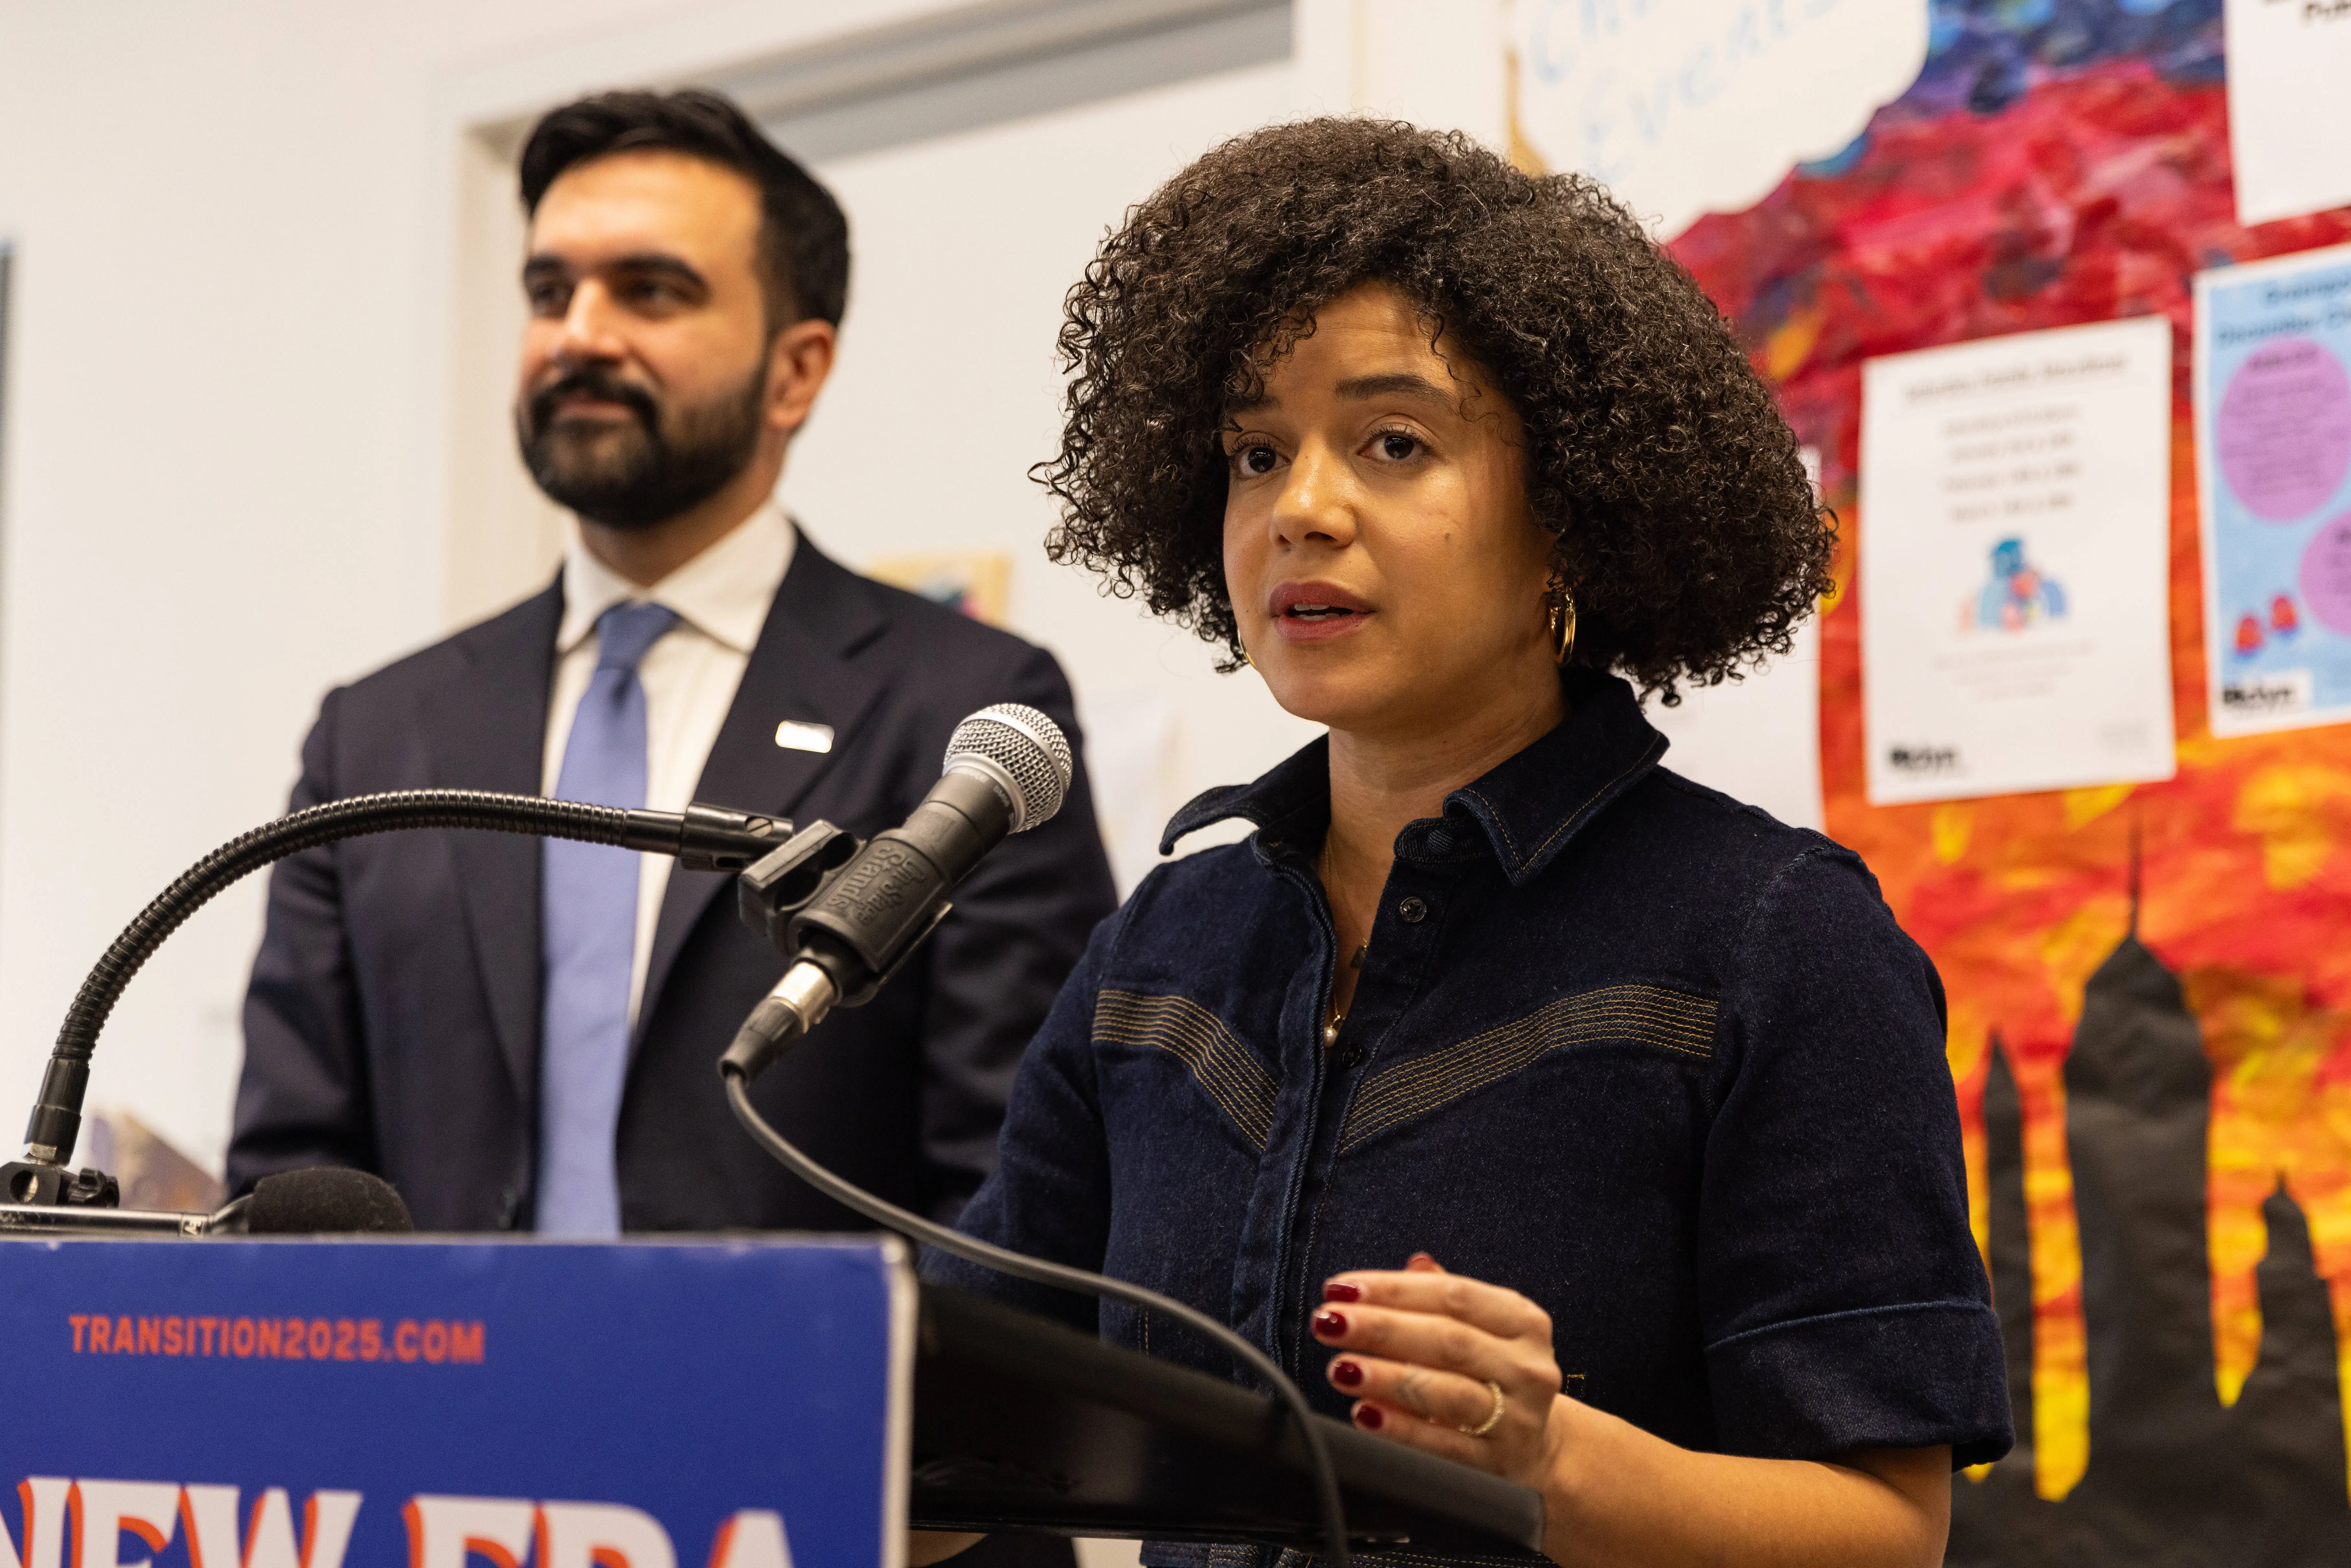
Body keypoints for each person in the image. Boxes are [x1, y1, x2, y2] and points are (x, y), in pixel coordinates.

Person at [924, 119, 2009, 1568]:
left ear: (1569, 512)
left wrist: (1550, 1461)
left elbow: (1886, 1533)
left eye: (1393, 442)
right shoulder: (1156, 958)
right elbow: (946, 1450)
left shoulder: (1772, 940)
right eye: (1256, 452)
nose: (1300, 509)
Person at [228, 90, 1118, 1237]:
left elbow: (1015, 1197)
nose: (580, 333)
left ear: (796, 371)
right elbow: (291, 1181)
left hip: (806, 1408)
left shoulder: (959, 711)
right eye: (551, 292)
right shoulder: (379, 733)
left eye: (651, 291)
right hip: (436, 1404)